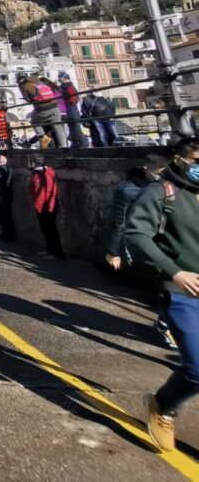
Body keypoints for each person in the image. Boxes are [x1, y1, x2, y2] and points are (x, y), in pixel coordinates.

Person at [127, 140, 199, 452]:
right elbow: (136, 234)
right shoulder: (160, 193)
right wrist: (173, 271)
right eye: (196, 158)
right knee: (197, 367)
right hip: (179, 290)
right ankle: (164, 405)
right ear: (179, 159)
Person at [106, 154, 175, 349]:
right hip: (149, 244)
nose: (163, 174)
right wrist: (113, 251)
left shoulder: (173, 187)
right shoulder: (128, 190)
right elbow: (119, 222)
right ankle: (165, 324)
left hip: (172, 243)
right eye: (160, 171)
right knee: (168, 288)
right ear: (148, 169)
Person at [28, 156, 64, 258]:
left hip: (46, 206)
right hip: (40, 204)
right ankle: (49, 249)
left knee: (51, 229)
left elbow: (51, 191)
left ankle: (56, 253)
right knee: (45, 228)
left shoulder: (45, 173)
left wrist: (50, 206)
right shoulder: (36, 173)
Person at [20, 73, 68, 148]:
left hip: (42, 110)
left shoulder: (25, 85)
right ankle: (65, 148)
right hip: (55, 108)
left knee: (35, 122)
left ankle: (44, 141)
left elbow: (29, 100)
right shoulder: (44, 81)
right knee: (59, 129)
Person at [57, 72, 88, 149]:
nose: (59, 80)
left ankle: (83, 144)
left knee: (76, 128)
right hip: (70, 109)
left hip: (72, 110)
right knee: (72, 127)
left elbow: (74, 100)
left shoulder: (70, 87)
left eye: (60, 78)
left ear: (63, 78)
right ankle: (76, 144)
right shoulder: (67, 87)